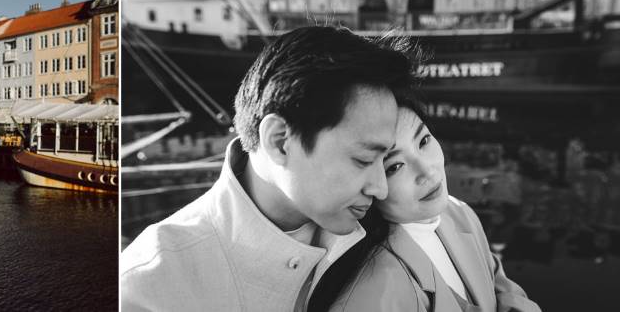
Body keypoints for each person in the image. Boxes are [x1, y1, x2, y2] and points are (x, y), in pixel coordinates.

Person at [120, 26, 424, 311]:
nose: (380, 188)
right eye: (362, 160)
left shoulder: (390, 220)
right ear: (279, 141)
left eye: (385, 162)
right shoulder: (151, 286)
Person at [308, 101, 541, 312]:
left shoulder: (458, 212)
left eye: (424, 141)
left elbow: (501, 288)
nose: (427, 171)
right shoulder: (371, 294)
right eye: (395, 166)